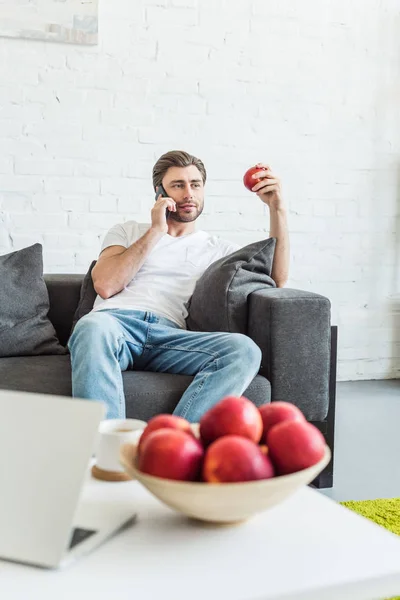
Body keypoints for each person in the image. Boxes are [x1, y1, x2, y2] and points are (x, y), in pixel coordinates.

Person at [68, 151, 289, 422]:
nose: (189, 193)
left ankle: (174, 441)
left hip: (170, 337)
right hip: (114, 327)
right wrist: (156, 231)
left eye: (195, 184)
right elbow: (105, 284)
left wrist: (276, 206)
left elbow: (277, 280)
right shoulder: (127, 231)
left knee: (245, 350)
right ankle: (107, 455)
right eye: (178, 185)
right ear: (159, 192)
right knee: (90, 327)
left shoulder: (217, 249)